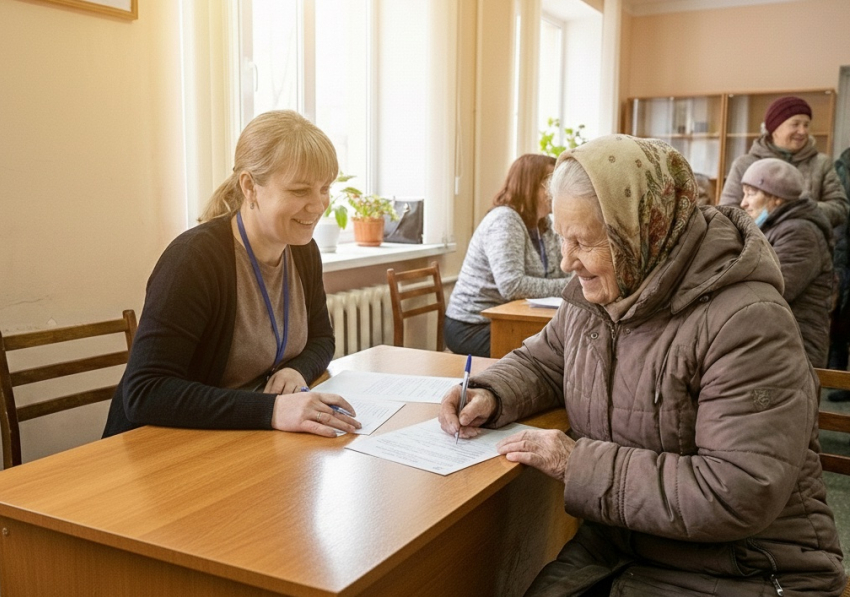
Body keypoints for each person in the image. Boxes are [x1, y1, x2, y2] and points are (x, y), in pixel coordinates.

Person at [439, 135, 846, 596]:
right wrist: (490, 392)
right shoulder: (601, 293)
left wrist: (578, 465)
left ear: (642, 228)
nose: (568, 262)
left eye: (583, 242)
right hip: (624, 546)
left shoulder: (748, 321)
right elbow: (546, 360)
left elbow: (736, 490)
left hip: (746, 568)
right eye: (560, 239)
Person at [103, 110, 360, 438]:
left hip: (238, 437)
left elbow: (322, 339)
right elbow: (146, 392)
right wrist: (273, 409)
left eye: (324, 188)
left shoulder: (302, 250)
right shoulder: (194, 260)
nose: (318, 205)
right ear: (250, 186)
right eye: (299, 191)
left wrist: (297, 370)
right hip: (160, 449)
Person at [445, 154, 570, 357]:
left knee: (561, 345)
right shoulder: (504, 220)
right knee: (551, 355)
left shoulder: (544, 223)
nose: (557, 190)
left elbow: (557, 272)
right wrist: (573, 286)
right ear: (528, 185)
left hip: (509, 319)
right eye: (550, 182)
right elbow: (512, 285)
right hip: (471, 326)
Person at [739, 158, 833, 367]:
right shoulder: (774, 227)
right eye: (743, 193)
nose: (743, 203)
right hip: (775, 341)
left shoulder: (800, 233)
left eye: (751, 193)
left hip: (795, 347)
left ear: (776, 198)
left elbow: (773, 288)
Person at [720, 95, 848, 228]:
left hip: (807, 243)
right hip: (755, 244)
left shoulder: (822, 163)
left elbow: (841, 209)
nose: (802, 131)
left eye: (806, 125)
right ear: (774, 129)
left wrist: (795, 209)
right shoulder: (745, 164)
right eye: (795, 124)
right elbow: (726, 211)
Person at [828, 145, 850, 401]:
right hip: (845, 251)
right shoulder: (842, 166)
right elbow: (841, 215)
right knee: (842, 318)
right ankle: (839, 378)